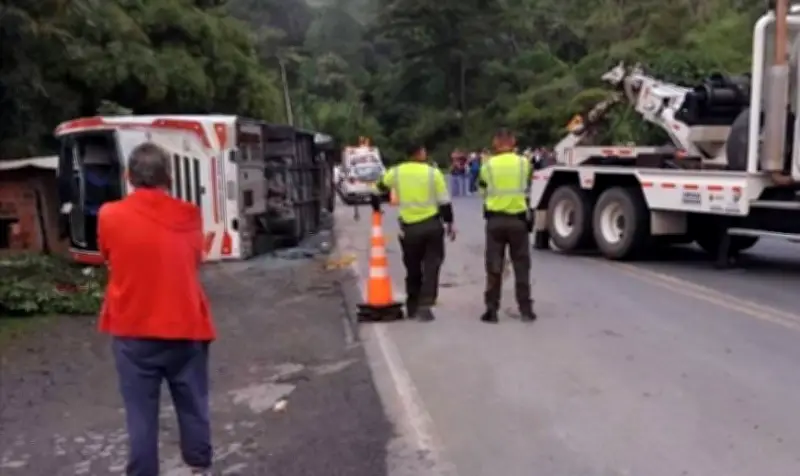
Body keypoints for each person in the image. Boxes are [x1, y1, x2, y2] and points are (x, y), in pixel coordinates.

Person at [98, 142, 215, 476]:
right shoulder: (189, 214)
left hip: (132, 329)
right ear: (170, 177)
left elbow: (107, 255)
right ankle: (199, 468)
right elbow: (194, 258)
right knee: (193, 406)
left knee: (140, 414)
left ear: (128, 176)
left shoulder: (110, 215)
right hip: (185, 325)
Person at [371, 144, 455, 321]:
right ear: (421, 153)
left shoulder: (396, 172)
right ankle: (425, 304)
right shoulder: (433, 173)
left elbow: (376, 189)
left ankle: (412, 305)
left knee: (413, 267)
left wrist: (377, 208)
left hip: (409, 229)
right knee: (432, 266)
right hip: (432, 225)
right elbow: (444, 202)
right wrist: (449, 223)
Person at [478, 129, 536, 323]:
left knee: (494, 265)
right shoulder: (523, 163)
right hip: (518, 221)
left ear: (496, 143)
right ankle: (526, 309)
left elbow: (482, 189)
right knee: (521, 265)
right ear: (513, 142)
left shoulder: (488, 165)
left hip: (495, 221)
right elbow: (527, 183)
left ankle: (491, 310)